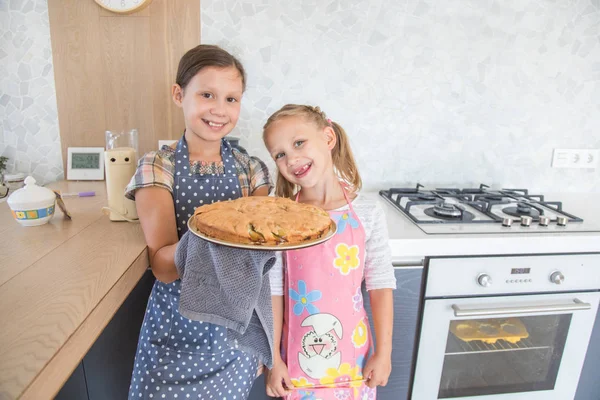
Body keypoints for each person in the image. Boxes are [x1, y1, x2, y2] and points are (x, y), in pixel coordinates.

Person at [125, 44, 274, 399]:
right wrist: (209, 235)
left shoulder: (251, 170)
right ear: (179, 94)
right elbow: (162, 266)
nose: (220, 110)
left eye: (231, 99)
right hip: (175, 335)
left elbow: (261, 262)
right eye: (207, 94)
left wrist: (267, 338)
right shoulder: (157, 167)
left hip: (235, 340)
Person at [263, 104, 397, 399]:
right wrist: (274, 359)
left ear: (328, 137)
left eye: (299, 143)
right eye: (280, 154)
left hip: (355, 362)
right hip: (297, 365)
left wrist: (384, 353)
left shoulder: (367, 212)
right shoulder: (283, 217)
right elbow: (273, 292)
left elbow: (381, 284)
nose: (291, 158)